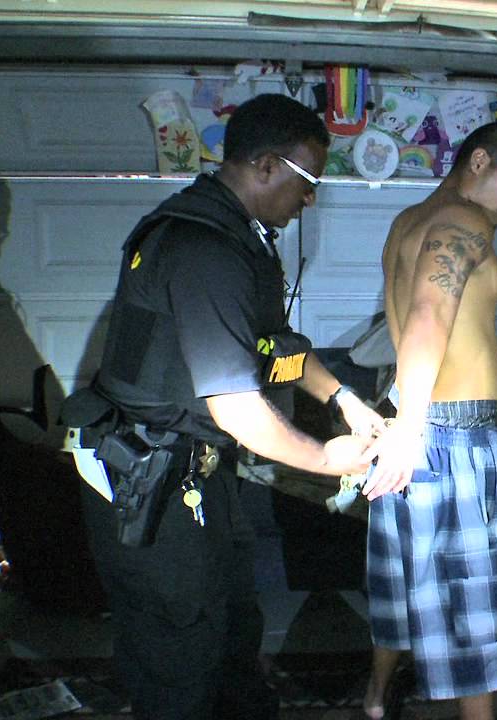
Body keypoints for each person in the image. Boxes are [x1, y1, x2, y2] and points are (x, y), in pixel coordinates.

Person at [73, 93, 384, 720]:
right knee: (179, 652)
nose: (310, 198)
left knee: (232, 624)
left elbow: (278, 347)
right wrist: (331, 459)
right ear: (266, 165)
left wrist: (344, 397)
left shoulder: (244, 240)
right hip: (148, 480)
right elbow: (237, 408)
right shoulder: (203, 248)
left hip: (194, 471)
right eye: (308, 181)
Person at [359, 123, 497, 720]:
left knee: (403, 580)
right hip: (454, 438)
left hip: (415, 427)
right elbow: (429, 316)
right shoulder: (465, 223)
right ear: (479, 160)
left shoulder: (406, 222)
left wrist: (405, 428)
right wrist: (411, 430)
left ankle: (376, 699)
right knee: (475, 605)